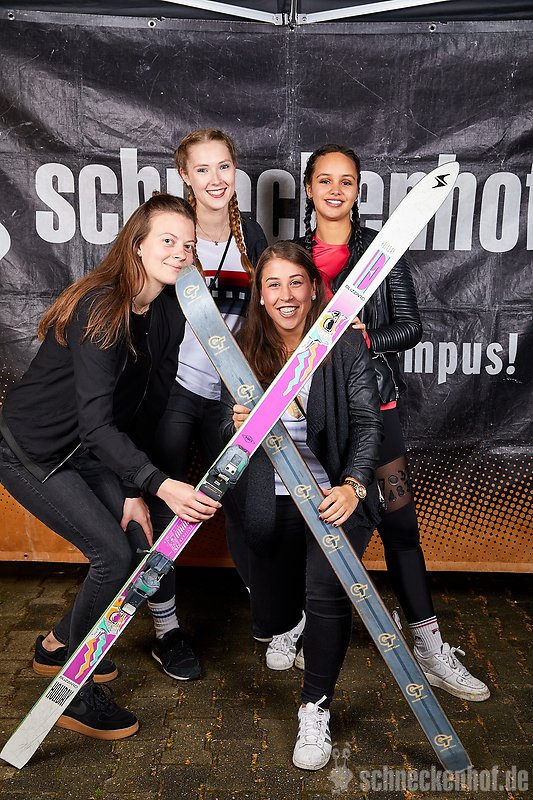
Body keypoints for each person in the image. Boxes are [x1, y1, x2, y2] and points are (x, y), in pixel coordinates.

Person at [0, 193, 220, 740]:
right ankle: (72, 693)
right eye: (167, 240)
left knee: (136, 546)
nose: (180, 252)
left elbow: (144, 407)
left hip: (86, 447)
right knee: (113, 556)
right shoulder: (102, 308)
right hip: (32, 450)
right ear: (137, 244)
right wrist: (158, 484)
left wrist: (132, 487)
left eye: (189, 244)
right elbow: (98, 423)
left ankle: (56, 647)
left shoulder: (166, 310)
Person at [298, 143, 490, 702]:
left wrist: (361, 338)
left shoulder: (382, 250)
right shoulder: (292, 256)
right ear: (309, 189)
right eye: (325, 180)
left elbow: (410, 326)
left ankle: (428, 647)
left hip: (373, 408)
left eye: (347, 182)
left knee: (400, 525)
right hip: (308, 412)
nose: (335, 190)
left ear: (358, 191)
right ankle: (298, 627)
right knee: (307, 524)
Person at [220, 241, 383, 770]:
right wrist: (236, 428)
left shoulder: (345, 344)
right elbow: (221, 428)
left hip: (333, 495)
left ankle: (315, 707)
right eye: (273, 284)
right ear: (260, 296)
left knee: (327, 589)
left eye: (296, 282)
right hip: (271, 498)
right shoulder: (243, 349)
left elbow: (368, 423)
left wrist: (354, 485)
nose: (286, 295)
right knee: (272, 615)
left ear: (314, 288)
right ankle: (293, 623)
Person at [147, 129, 267, 680]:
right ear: (185, 177)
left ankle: (274, 616)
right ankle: (166, 630)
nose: (216, 179)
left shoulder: (251, 235)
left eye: (224, 167)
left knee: (249, 503)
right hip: (175, 392)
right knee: (165, 507)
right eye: (202, 169)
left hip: (229, 398)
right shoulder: (176, 234)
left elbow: (265, 317)